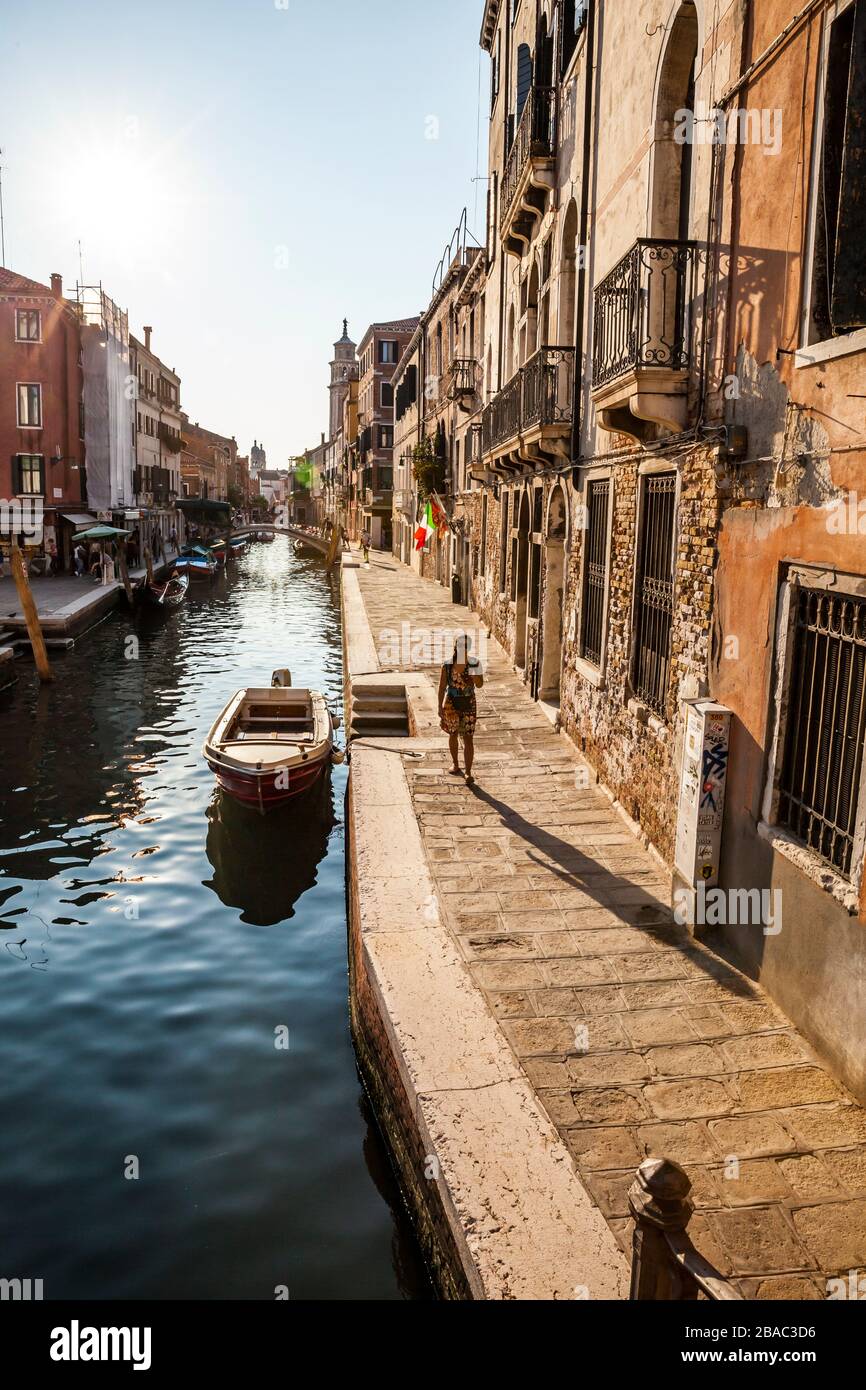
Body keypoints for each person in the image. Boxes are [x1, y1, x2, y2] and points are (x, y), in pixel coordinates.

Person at [438, 633, 483, 783]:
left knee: (468, 737)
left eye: (465, 646)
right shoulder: (447, 665)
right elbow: (442, 687)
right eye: (459, 645)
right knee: (453, 734)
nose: (462, 648)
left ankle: (468, 772)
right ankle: (455, 763)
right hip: (451, 703)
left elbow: (480, 684)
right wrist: (439, 706)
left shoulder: (475, 663)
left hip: (469, 702)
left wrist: (474, 675)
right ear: (455, 647)